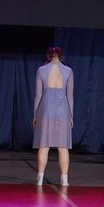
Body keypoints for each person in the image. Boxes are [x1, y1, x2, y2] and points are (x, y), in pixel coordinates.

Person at [32, 46, 74, 186]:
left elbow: (38, 95)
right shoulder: (68, 71)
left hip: (46, 109)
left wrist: (35, 114)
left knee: (44, 146)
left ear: (48, 55)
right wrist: (71, 116)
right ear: (61, 55)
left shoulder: (41, 70)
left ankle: (40, 179)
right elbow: (70, 96)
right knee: (63, 147)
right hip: (63, 111)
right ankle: (64, 179)